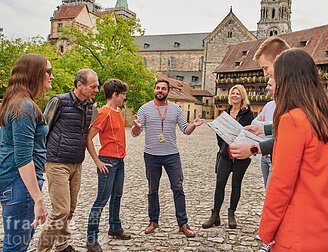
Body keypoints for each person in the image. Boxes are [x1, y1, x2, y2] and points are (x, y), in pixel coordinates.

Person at [258, 48, 328, 251]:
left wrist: (266, 231)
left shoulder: (293, 120)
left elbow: (280, 185)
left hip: (304, 230)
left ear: (287, 80)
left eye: (275, 77)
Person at [131, 79, 204, 238]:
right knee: (152, 189)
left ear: (168, 91)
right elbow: (135, 133)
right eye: (157, 88)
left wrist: (194, 124)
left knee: (178, 188)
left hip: (172, 155)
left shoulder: (176, 109)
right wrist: (136, 127)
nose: (160, 91)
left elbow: (186, 130)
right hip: (151, 155)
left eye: (163, 88)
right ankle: (153, 221)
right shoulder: (144, 109)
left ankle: (183, 223)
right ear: (154, 90)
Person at [37, 69, 99, 252]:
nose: (97, 89)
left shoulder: (90, 106)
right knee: (60, 211)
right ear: (79, 85)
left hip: (76, 163)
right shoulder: (59, 101)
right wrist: (41, 160)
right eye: (93, 86)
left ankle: (62, 246)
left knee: (70, 210)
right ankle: (42, 249)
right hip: (57, 162)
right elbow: (43, 131)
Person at [0, 54, 53, 251]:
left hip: (16, 184)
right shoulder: (24, 106)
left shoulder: (17, 102)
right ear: (35, 73)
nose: (51, 76)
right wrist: (38, 199)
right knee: (15, 247)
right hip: (19, 185)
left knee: (18, 243)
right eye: (48, 71)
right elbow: (23, 158)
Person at [86, 79, 130, 252]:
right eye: (123, 95)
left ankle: (115, 227)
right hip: (108, 162)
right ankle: (91, 239)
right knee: (101, 200)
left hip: (120, 161)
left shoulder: (118, 111)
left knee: (117, 196)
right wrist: (97, 161)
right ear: (114, 95)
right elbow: (89, 138)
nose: (124, 98)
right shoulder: (104, 113)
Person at [202, 85, 254, 229]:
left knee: (236, 185)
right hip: (225, 155)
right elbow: (219, 133)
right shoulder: (224, 113)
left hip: (241, 156)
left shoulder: (248, 114)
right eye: (233, 93)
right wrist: (223, 148)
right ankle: (215, 215)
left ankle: (231, 214)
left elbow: (251, 134)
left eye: (238, 94)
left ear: (242, 97)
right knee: (220, 184)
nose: (235, 96)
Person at [230, 36, 289, 159]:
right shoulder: (288, 93)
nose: (265, 74)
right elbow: (286, 129)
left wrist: (254, 148)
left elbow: (290, 137)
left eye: (265, 67)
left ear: (278, 61)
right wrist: (261, 129)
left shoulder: (294, 95)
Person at [252, 78, 276, 190]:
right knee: (267, 191)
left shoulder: (286, 106)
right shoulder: (269, 105)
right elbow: (254, 123)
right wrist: (268, 124)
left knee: (271, 192)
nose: (267, 88)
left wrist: (263, 125)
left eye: (270, 85)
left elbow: (281, 126)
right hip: (264, 156)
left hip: (274, 155)